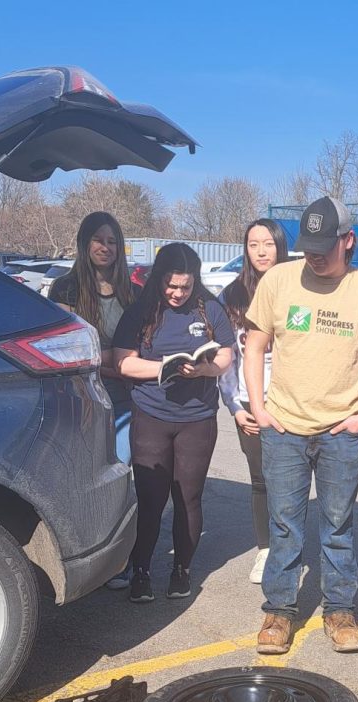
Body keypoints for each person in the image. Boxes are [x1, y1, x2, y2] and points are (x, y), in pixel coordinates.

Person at [244, 196, 358, 654]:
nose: (314, 255)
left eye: (325, 246)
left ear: (349, 241)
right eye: (309, 245)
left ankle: (340, 610)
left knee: (337, 523)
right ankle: (279, 611)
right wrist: (260, 408)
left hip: (339, 433)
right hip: (284, 428)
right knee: (284, 524)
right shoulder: (278, 280)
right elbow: (254, 346)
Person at [113, 243, 234, 603]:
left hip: (197, 418)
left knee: (187, 498)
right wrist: (161, 368)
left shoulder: (210, 308)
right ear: (158, 279)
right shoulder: (141, 311)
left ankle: (181, 569)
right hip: (151, 415)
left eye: (185, 286)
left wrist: (203, 368)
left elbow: (226, 355)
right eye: (171, 285)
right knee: (151, 498)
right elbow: (123, 362)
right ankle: (142, 570)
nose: (178, 293)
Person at [49, 211, 139, 588]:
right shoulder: (65, 289)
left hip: (127, 401)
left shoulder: (130, 292)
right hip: (83, 403)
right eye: (99, 240)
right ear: (84, 243)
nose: (106, 247)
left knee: (121, 479)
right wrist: (114, 363)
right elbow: (68, 346)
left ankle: (121, 559)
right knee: (88, 480)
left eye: (113, 241)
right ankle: (87, 557)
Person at [219, 219, 289, 585]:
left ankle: (288, 547)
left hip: (293, 404)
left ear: (280, 245)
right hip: (249, 403)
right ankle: (266, 550)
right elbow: (226, 357)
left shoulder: (299, 287)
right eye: (252, 244)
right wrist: (236, 407)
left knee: (290, 481)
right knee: (261, 480)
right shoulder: (231, 296)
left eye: (268, 243)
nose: (261, 251)